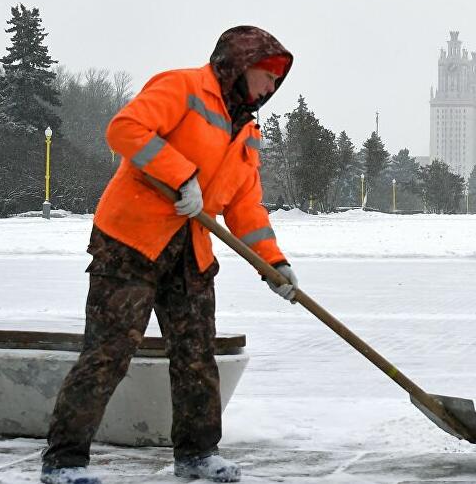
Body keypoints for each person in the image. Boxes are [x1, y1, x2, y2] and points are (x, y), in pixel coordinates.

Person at [40, 26, 299, 484]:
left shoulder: (249, 132)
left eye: (278, 81)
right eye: (267, 75)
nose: (271, 87)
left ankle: (198, 454)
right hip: (131, 241)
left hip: (190, 250)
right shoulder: (182, 86)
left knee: (197, 355)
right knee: (109, 352)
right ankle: (65, 460)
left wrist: (273, 263)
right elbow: (124, 130)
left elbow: (246, 207)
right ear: (238, 65)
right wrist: (182, 176)